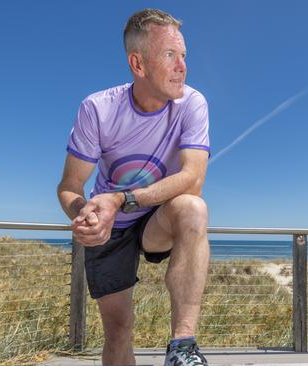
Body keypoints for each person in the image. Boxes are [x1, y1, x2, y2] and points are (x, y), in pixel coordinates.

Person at [57, 8, 211, 366]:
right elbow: (69, 185)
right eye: (170, 55)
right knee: (118, 329)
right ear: (138, 64)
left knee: (192, 207)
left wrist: (119, 199)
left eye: (184, 56)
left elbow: (193, 178)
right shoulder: (97, 108)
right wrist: (84, 214)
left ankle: (183, 349)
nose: (182, 66)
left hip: (155, 218)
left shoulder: (193, 103)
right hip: (111, 225)